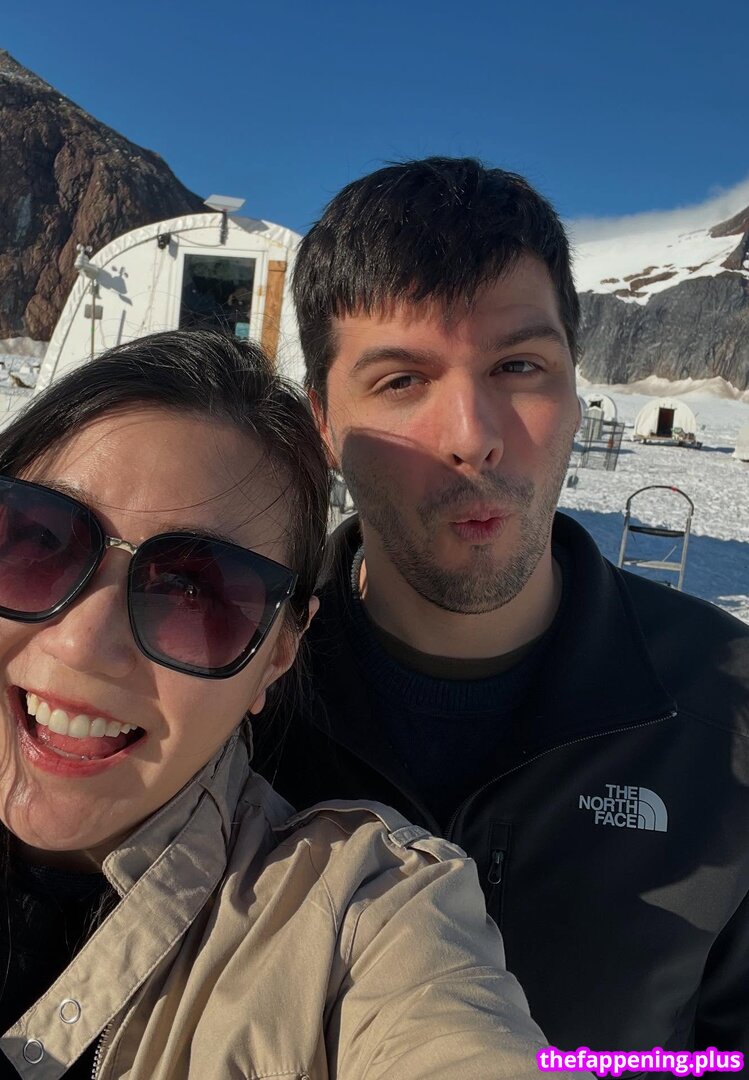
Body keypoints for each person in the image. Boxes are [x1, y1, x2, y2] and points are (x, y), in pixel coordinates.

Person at [0, 328, 559, 1079]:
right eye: (42, 540)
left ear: (278, 655)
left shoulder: (356, 922)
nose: (81, 643)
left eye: (193, 591)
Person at [254, 158, 749, 1058]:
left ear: (573, 394)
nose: (473, 436)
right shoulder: (227, 693)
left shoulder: (728, 720)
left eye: (519, 366)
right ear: (321, 422)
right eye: (401, 381)